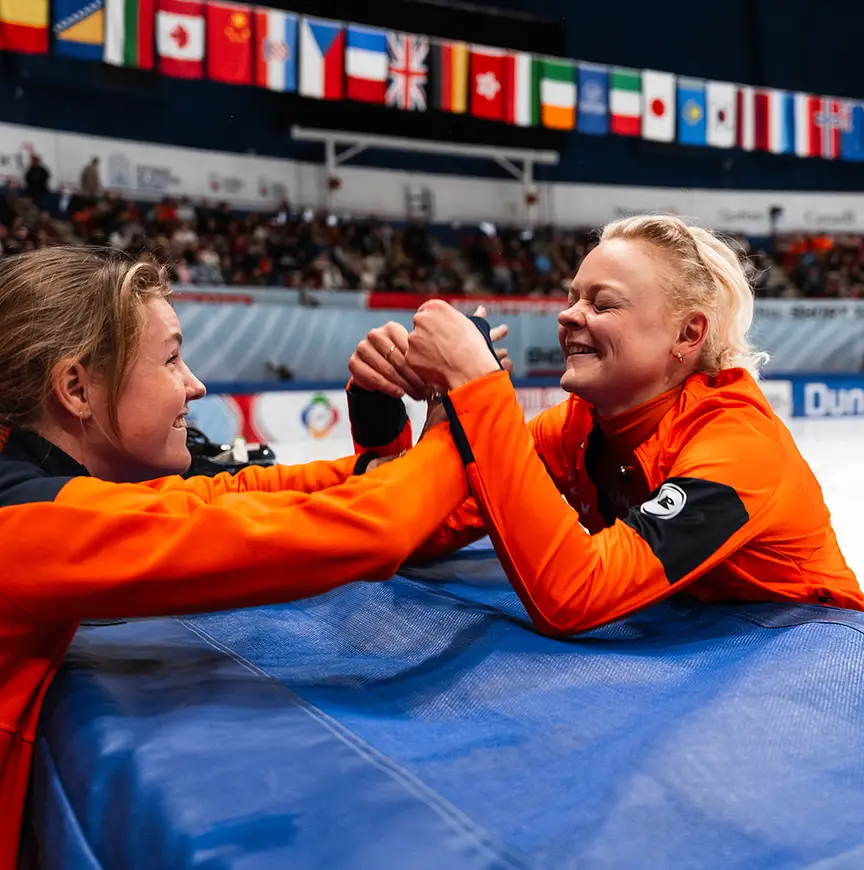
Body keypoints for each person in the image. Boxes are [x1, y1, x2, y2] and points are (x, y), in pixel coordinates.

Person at [0, 246, 474, 868]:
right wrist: (458, 432)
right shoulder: (27, 527)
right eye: (170, 359)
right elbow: (361, 536)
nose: (194, 383)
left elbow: (211, 498)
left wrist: (370, 469)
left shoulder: (29, 488)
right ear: (75, 389)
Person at [347, 214, 863, 638]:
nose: (569, 316)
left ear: (688, 333)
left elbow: (576, 596)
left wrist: (480, 396)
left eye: (602, 303)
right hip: (711, 660)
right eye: (572, 297)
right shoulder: (574, 427)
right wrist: (385, 406)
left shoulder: (738, 447)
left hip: (815, 667)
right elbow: (421, 530)